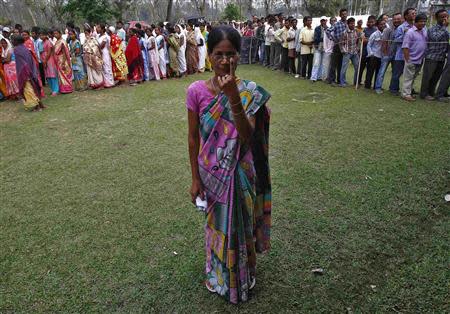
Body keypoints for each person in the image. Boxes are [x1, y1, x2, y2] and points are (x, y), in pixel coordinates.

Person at [186, 25, 271, 304]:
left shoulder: (249, 93)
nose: (225, 61)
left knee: (241, 227)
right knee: (216, 228)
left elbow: (247, 139)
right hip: (212, 175)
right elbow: (193, 137)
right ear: (209, 56)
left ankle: (244, 275)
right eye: (219, 54)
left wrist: (233, 96)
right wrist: (195, 179)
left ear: (239, 55)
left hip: (240, 173)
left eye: (231, 54)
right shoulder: (196, 91)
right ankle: (217, 274)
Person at [419, 9, 449, 100]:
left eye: (446, 16)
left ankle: (431, 92)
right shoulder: (432, 29)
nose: (445, 19)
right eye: (442, 17)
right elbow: (436, 38)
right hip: (432, 57)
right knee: (428, 77)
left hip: (441, 57)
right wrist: (444, 27)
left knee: (436, 77)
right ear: (436, 18)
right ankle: (424, 94)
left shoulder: (447, 29)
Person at [12, 35, 45, 111]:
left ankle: (36, 106)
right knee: (34, 87)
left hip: (24, 72)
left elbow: (21, 63)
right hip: (31, 70)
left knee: (28, 89)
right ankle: (40, 104)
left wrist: (24, 72)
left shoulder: (16, 50)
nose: (12, 42)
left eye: (13, 40)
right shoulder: (25, 48)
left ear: (17, 42)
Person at [389, 8, 416, 95]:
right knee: (397, 74)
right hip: (400, 55)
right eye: (412, 13)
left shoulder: (417, 26)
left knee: (411, 74)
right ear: (406, 16)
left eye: (415, 13)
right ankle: (393, 89)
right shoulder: (401, 27)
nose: (414, 15)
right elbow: (396, 40)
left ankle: (409, 89)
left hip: (412, 55)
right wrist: (406, 34)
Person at [401, 13, 428, 101]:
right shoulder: (410, 32)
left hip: (420, 59)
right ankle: (406, 94)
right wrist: (407, 59)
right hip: (411, 59)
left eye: (424, 21)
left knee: (413, 77)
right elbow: (405, 47)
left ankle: (409, 92)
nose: (423, 23)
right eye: (421, 21)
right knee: (408, 77)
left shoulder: (424, 31)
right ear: (416, 22)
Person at [375, 12, 402, 94]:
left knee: (395, 73)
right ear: (392, 20)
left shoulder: (402, 29)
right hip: (387, 55)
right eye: (395, 19)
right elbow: (384, 42)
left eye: (398, 19)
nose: (396, 20)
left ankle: (393, 89)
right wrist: (386, 53)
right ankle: (378, 87)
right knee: (382, 72)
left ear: (402, 19)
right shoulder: (388, 29)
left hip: (397, 55)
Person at [326, 8, 347, 85]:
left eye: (345, 14)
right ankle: (331, 80)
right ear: (340, 15)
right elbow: (328, 31)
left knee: (341, 65)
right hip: (337, 46)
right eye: (343, 14)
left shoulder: (348, 24)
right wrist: (333, 39)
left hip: (345, 47)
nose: (344, 15)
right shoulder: (337, 24)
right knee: (333, 64)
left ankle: (339, 80)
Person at [339, 17, 361, 87]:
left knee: (357, 67)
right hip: (347, 52)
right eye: (351, 23)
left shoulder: (356, 31)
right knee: (344, 68)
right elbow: (340, 43)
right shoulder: (344, 32)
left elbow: (359, 40)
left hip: (354, 52)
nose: (353, 25)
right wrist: (344, 51)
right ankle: (342, 82)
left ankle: (355, 82)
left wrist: (357, 48)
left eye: (353, 23)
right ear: (348, 24)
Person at [365, 18, 386, 91]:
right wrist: (371, 54)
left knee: (378, 73)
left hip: (381, 56)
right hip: (373, 56)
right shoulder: (374, 34)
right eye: (381, 24)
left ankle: (375, 86)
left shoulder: (385, 34)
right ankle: (367, 86)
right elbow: (369, 45)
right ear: (377, 25)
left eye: (384, 24)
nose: (383, 25)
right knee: (370, 72)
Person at [83, 25, 104, 89]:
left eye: (86, 33)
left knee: (96, 71)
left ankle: (99, 84)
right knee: (90, 72)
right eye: (85, 33)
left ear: (89, 32)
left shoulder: (93, 39)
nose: (86, 34)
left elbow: (96, 48)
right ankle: (93, 84)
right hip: (88, 58)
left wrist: (93, 55)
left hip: (94, 58)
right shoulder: (85, 40)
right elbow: (84, 48)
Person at [357, 15, 377, 85]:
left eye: (372, 22)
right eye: (369, 22)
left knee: (370, 69)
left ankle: (367, 83)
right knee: (361, 68)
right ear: (367, 22)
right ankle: (358, 81)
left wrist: (368, 40)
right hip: (364, 52)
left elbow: (375, 42)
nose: (371, 23)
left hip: (372, 53)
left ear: (375, 22)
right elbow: (363, 40)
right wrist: (369, 40)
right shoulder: (365, 29)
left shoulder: (376, 30)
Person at [40, 29, 59, 96]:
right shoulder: (41, 43)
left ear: (45, 35)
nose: (41, 36)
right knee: (48, 75)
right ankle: (52, 89)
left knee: (52, 75)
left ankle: (56, 90)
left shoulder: (48, 42)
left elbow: (49, 52)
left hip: (50, 60)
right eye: (40, 35)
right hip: (44, 60)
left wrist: (45, 60)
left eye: (42, 35)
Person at [53, 29, 73, 94]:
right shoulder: (57, 41)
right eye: (54, 34)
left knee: (64, 74)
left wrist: (64, 62)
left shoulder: (62, 42)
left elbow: (65, 53)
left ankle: (68, 89)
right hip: (58, 60)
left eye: (56, 33)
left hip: (62, 60)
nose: (55, 35)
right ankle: (63, 89)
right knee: (60, 75)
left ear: (60, 34)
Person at [310, 16, 327, 82]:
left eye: (324, 20)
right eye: (322, 20)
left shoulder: (328, 28)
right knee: (316, 63)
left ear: (326, 21)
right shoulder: (317, 28)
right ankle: (313, 77)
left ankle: (319, 77)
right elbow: (316, 38)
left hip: (325, 48)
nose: (323, 22)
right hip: (317, 47)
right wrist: (323, 39)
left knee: (322, 63)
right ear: (320, 21)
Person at [322, 17, 336, 83]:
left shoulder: (337, 30)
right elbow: (325, 41)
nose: (334, 22)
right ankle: (326, 78)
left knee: (332, 66)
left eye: (335, 21)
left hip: (334, 50)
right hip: (328, 50)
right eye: (332, 21)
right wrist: (326, 49)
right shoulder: (327, 30)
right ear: (330, 22)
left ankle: (331, 78)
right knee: (326, 65)